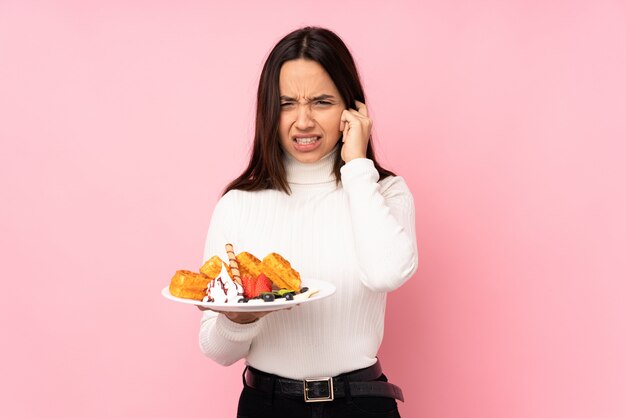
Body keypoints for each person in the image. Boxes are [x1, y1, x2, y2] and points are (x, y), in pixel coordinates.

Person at [198, 26, 418, 418]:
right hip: (267, 406)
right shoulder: (238, 204)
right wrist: (236, 319)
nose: (303, 121)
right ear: (268, 111)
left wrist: (357, 167)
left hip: (361, 404)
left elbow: (387, 273)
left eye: (321, 102)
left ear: (352, 110)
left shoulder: (382, 191)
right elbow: (216, 350)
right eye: (286, 103)